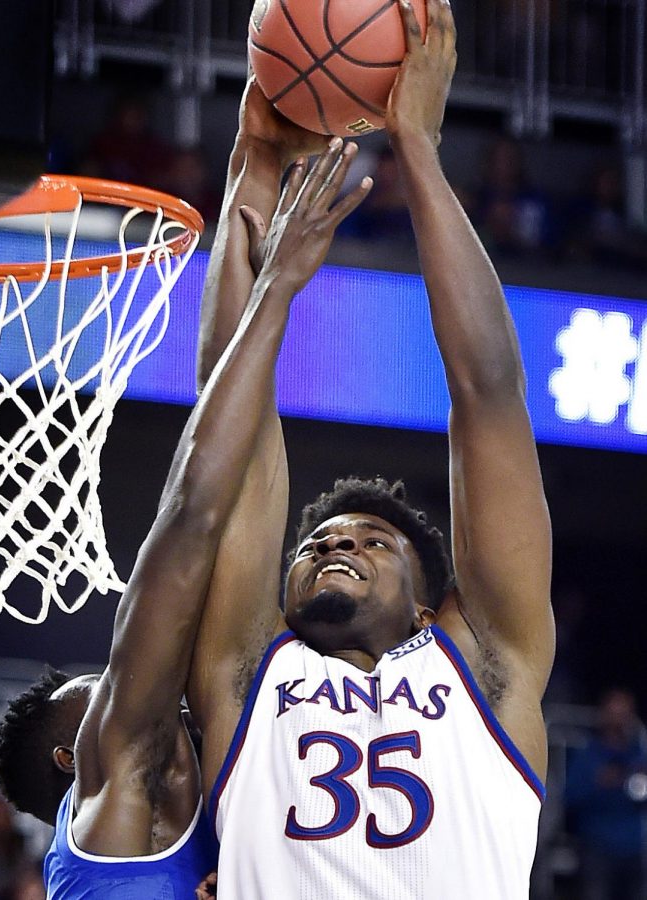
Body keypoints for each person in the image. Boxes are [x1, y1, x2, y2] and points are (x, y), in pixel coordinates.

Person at [185, 0, 556, 897]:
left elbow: (492, 395)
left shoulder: (489, 667)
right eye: (319, 543)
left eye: (370, 542)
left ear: (434, 610)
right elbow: (228, 423)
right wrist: (254, 173)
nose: (334, 544)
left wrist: (420, 153)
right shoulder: (246, 667)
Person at [0, 142, 372, 897]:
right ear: (78, 760)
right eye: (106, 690)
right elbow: (197, 507)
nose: (139, 679)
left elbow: (225, 477)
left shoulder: (198, 812)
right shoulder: (116, 806)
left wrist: (253, 170)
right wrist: (278, 287)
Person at [565, 688, 647, 899]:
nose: (619, 718)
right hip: (597, 848)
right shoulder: (588, 754)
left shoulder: (639, 754)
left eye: (624, 712)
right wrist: (599, 782)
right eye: (614, 712)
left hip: (634, 849)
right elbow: (569, 796)